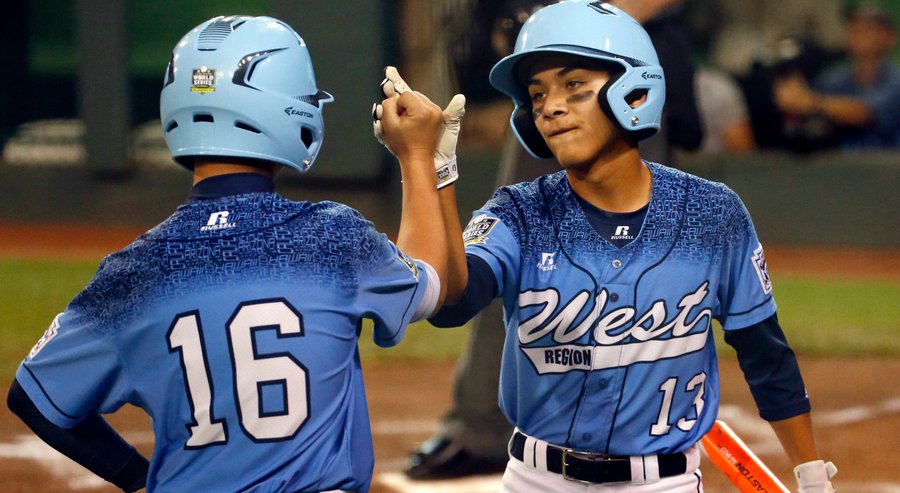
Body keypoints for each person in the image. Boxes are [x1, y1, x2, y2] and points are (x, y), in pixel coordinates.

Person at [382, 2, 838, 491]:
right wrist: (430, 168)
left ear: (633, 89)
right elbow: (450, 302)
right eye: (538, 96)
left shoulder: (712, 214)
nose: (551, 107)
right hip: (537, 480)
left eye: (574, 86)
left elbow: (765, 354)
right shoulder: (519, 210)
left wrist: (811, 474)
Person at [6, 16, 455, 493]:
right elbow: (431, 282)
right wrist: (419, 158)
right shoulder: (331, 236)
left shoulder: (133, 273)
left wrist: (136, 478)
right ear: (289, 113)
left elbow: (32, 397)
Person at [404, 0, 706, 480]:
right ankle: (481, 427)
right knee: (509, 250)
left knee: (627, 269)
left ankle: (630, 427)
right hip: (549, 65)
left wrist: (583, 27)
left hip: (616, 76)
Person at [774, 5, 900, 150]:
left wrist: (812, 102)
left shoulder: (895, 81)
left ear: (890, 37)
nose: (859, 34)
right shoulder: (835, 79)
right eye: (854, 29)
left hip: (884, 166)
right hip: (838, 166)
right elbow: (803, 105)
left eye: (869, 29)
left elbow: (864, 113)